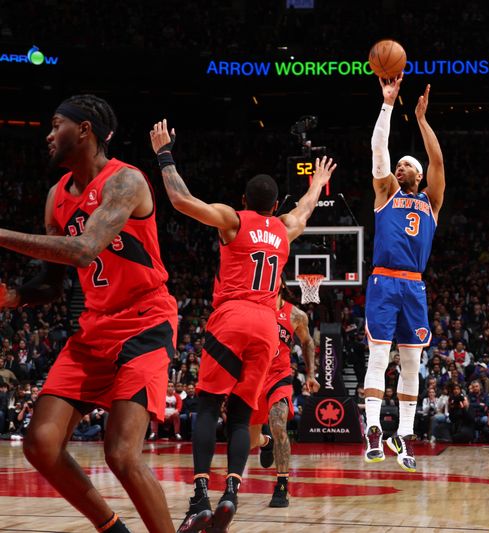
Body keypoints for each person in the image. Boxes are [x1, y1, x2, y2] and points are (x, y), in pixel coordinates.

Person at [0, 95, 177, 533]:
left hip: (144, 322)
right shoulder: (55, 197)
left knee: (120, 453)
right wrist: (12, 297)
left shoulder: (126, 181)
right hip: (94, 328)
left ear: (85, 130)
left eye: (55, 124)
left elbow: (83, 250)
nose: (47, 134)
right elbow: (51, 285)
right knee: (40, 443)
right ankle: (111, 527)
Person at [149, 119, 335, 531]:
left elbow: (181, 200)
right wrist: (317, 182)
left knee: (207, 408)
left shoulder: (233, 219)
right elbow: (304, 209)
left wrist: (164, 156)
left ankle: (200, 496)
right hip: (268, 328)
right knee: (240, 417)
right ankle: (232, 491)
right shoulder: (285, 229)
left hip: (232, 319)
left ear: (245, 201)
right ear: (274, 206)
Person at [363, 76, 445, 472]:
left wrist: (421, 119)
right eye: (400, 165)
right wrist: (388, 104)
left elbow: (438, 162)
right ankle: (375, 427)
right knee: (379, 356)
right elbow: (379, 149)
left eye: (407, 164)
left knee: (411, 363)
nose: (401, 166)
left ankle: (405, 433)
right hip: (383, 279)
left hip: (414, 284)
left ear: (419, 176)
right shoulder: (386, 193)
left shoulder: (431, 202)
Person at [249, 281, 318, 508]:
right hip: (256, 375)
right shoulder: (253, 310)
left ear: (279, 285)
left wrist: (310, 374)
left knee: (278, 423)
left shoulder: (295, 315)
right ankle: (265, 442)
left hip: (279, 375)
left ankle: (281, 486)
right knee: (249, 441)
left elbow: (307, 342)